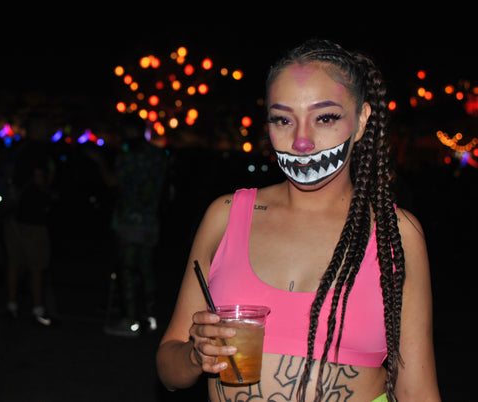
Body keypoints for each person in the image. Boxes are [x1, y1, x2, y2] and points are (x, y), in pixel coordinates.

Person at [156, 39, 440, 401]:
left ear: (361, 120)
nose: (301, 141)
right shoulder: (226, 216)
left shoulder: (395, 233)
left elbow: (417, 390)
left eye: (325, 118)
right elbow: (169, 371)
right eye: (282, 119)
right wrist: (195, 354)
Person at [104, 115, 167, 337]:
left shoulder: (129, 155)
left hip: (130, 221)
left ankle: (131, 320)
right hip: (151, 221)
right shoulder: (158, 155)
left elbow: (114, 181)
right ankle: (150, 317)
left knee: (129, 270)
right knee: (146, 269)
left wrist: (99, 164)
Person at [2, 120, 57, 327]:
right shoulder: (38, 151)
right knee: (37, 264)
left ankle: (11, 306)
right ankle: (38, 310)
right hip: (32, 215)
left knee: (14, 263)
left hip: (13, 212)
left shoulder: (18, 148)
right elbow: (39, 178)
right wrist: (51, 196)